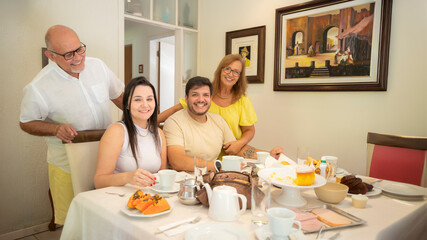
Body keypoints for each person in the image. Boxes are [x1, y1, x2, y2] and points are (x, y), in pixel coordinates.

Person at [19, 25, 124, 225]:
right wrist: (55, 129)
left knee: (107, 215)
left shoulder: (98, 66)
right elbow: (26, 122)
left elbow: (119, 96)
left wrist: (137, 115)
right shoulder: (38, 87)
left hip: (106, 155)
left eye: (80, 49)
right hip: (67, 163)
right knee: (74, 223)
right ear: (50, 55)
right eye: (68, 55)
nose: (77, 58)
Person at [163, 76, 283, 172]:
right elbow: (178, 161)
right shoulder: (174, 122)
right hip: (184, 185)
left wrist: (268, 155)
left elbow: (236, 149)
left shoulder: (218, 120)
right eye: (195, 95)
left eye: (205, 95)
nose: (201, 99)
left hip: (212, 178)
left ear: (210, 98)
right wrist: (218, 165)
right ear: (186, 98)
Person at [158, 54, 257, 155]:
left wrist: (239, 143)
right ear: (220, 70)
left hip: (233, 153)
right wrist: (148, 123)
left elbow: (249, 130)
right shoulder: (203, 94)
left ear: (240, 76)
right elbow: (175, 110)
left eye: (236, 72)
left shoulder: (242, 100)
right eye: (227, 69)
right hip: (204, 156)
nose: (231, 74)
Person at [94, 77, 167, 189]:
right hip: (119, 197)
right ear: (127, 105)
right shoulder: (117, 131)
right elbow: (99, 181)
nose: (145, 105)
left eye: (149, 99)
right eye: (138, 100)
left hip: (150, 196)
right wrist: (127, 177)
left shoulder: (159, 133)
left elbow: (163, 173)